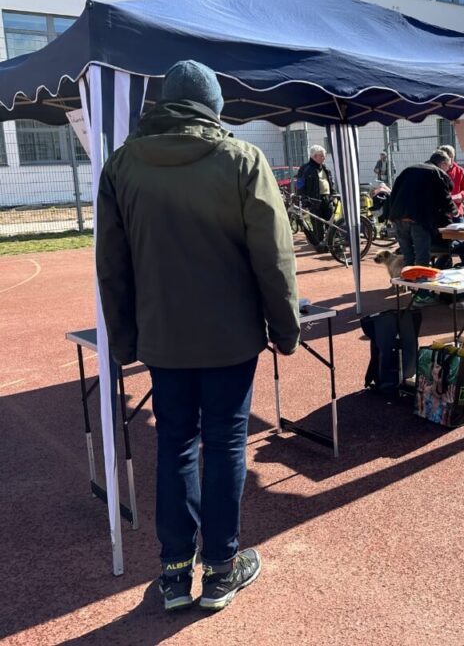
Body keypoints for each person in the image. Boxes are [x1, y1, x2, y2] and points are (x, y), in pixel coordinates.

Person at [95, 60, 300, 612]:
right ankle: (220, 570)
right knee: (226, 446)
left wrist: (124, 340)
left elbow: (111, 265)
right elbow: (274, 258)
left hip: (164, 337)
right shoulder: (241, 159)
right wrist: (286, 329)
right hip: (230, 337)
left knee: (175, 445)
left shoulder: (121, 167)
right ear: (213, 107)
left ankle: (173, 574)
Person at [387, 150, 457, 307]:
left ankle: (414, 290)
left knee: (408, 256)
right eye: (449, 167)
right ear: (443, 163)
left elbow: (394, 193)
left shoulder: (408, 170)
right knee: (422, 258)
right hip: (417, 219)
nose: (448, 170)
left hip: (398, 218)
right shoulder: (437, 172)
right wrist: (454, 211)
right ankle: (423, 295)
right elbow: (445, 196)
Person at [295, 144, 336, 251]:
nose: (324, 157)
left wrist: (333, 194)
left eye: (324, 155)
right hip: (314, 200)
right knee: (317, 225)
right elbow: (299, 185)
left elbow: (330, 182)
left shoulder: (325, 168)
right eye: (321, 156)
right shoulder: (305, 168)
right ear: (314, 156)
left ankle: (333, 244)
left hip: (327, 199)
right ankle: (320, 246)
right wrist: (303, 198)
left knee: (331, 222)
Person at [438, 144, 464, 220]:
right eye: (447, 158)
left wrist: (461, 196)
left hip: (457, 212)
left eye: (452, 157)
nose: (450, 161)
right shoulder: (436, 171)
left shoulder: (459, 170)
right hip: (441, 213)